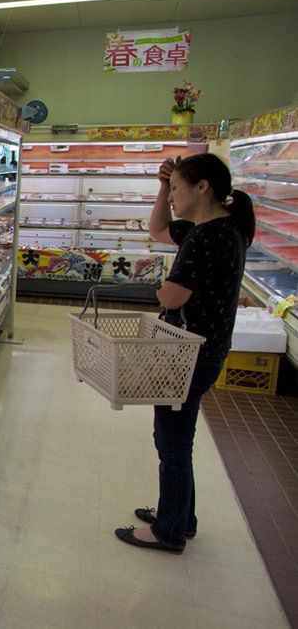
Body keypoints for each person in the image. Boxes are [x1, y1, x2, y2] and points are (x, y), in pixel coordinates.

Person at [115, 152, 256, 553]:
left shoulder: (205, 237)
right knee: (180, 439)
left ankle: (168, 530)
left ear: (202, 187)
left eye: (177, 188)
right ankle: (181, 515)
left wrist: (159, 289)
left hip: (186, 355)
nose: (173, 196)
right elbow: (158, 229)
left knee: (172, 443)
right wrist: (163, 185)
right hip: (207, 350)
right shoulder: (224, 227)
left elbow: (172, 297)